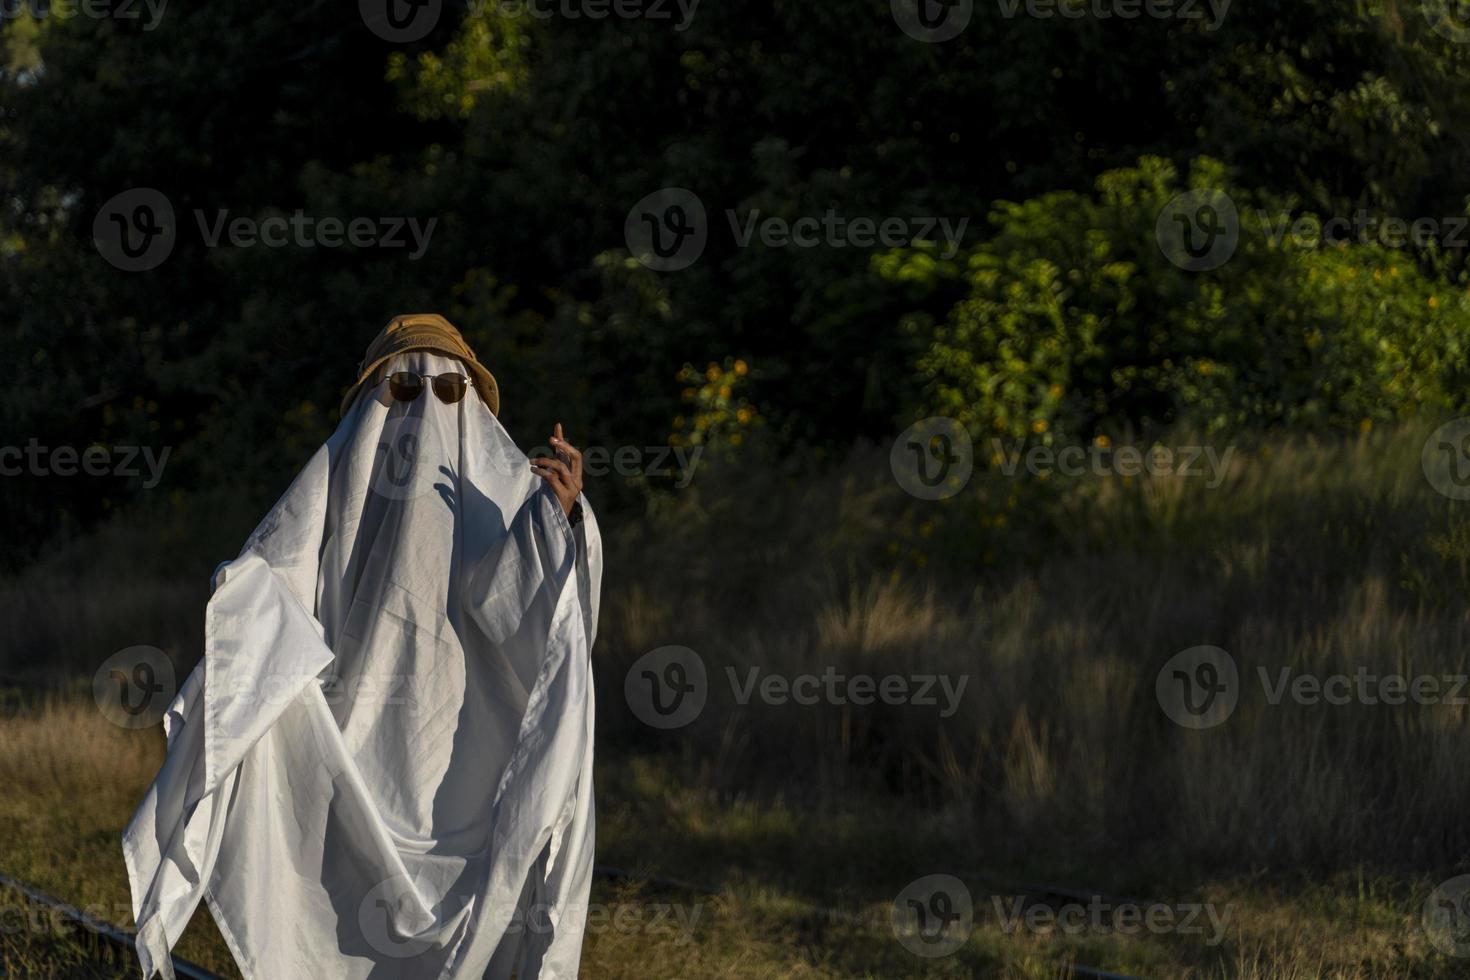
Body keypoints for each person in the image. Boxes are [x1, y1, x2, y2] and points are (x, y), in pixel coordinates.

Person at [123, 314, 602, 980]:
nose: (426, 408)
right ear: (374, 400)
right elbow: (274, 584)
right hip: (347, 762)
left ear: (472, 399)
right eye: (403, 390)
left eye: (448, 392)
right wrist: (242, 600)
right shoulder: (337, 478)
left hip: (470, 771)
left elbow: (542, 627)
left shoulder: (508, 492)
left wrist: (561, 518)